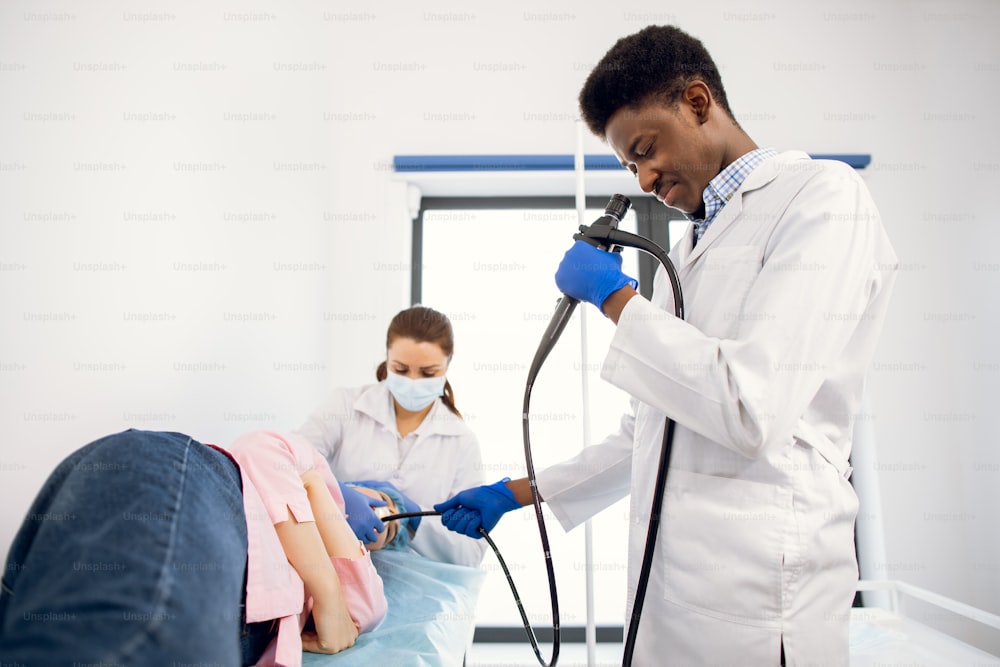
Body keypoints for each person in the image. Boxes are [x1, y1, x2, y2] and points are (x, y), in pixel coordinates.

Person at [434, 25, 898, 666]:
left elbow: (748, 404)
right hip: (676, 595)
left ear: (698, 103)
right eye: (629, 165)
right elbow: (648, 433)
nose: (645, 177)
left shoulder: (824, 198)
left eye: (646, 149)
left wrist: (613, 299)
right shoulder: (688, 251)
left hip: (763, 603)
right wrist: (514, 494)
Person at [0, 428, 392, 666]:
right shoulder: (312, 472)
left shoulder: (364, 584)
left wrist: (349, 556)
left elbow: (356, 618)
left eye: (391, 524)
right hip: (190, 492)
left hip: (237, 618)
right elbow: (261, 450)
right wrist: (323, 492)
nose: (381, 520)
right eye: (379, 501)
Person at [296, 305, 487, 568]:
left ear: (447, 366)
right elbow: (290, 463)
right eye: (400, 369)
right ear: (387, 359)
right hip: (340, 568)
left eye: (428, 373)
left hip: (423, 591)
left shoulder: (461, 441)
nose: (413, 381)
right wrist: (336, 494)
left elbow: (471, 552)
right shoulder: (344, 406)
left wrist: (414, 517)